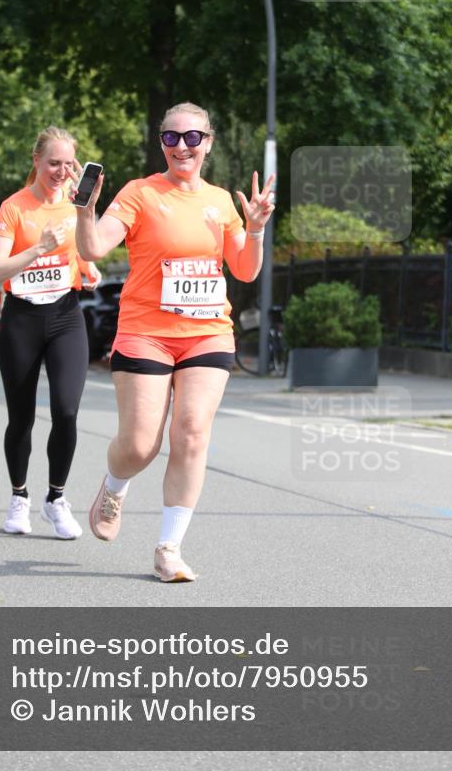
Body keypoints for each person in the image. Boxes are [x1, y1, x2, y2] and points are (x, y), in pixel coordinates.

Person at [74, 102, 275, 582]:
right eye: (171, 138)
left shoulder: (223, 200)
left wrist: (255, 229)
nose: (181, 146)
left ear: (208, 143)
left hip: (207, 332)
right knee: (141, 444)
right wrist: (85, 210)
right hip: (145, 333)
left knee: (190, 434)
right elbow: (93, 248)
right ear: (161, 143)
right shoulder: (140, 193)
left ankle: (169, 548)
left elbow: (244, 269)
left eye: (192, 137)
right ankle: (114, 486)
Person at [0, 126, 102, 539]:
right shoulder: (14, 208)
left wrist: (90, 270)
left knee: (67, 410)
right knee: (21, 417)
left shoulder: (77, 205)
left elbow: (89, 252)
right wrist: (38, 247)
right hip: (22, 319)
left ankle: (56, 498)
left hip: (66, 315)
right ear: (36, 161)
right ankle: (19, 497)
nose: (61, 170)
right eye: (54, 162)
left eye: (68, 163)